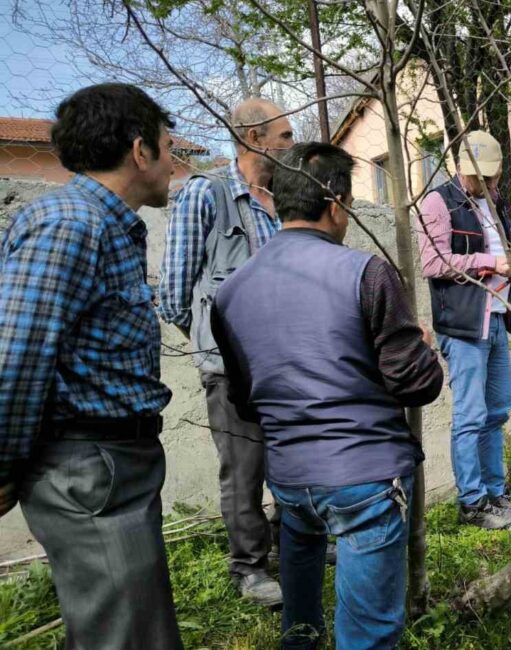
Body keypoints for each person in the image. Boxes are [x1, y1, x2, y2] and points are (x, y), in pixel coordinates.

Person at [211, 142, 444, 649]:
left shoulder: (230, 292)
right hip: (365, 479)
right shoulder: (366, 273)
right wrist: (424, 350)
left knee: (299, 624)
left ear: (275, 202)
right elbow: (416, 385)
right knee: (368, 635)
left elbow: (245, 401)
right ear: (336, 203)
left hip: (292, 482)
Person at [0, 83, 182, 649]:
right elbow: (15, 359)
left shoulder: (106, 225)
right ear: (140, 150)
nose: (175, 163)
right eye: (168, 146)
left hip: (110, 469)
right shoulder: (71, 224)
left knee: (135, 629)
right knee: (123, 639)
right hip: (87, 470)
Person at [158, 97, 294, 606]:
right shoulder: (206, 194)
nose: (291, 145)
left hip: (287, 362)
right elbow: (174, 292)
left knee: (290, 456)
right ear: (254, 139)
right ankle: (250, 568)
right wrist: (212, 342)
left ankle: (292, 545)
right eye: (285, 136)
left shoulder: (284, 198)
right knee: (243, 469)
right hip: (231, 365)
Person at [416, 130, 511, 529]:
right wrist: (490, 263)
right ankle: (472, 502)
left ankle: (495, 493)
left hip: (496, 317)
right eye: (472, 176)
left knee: (497, 409)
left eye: (485, 178)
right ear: (458, 169)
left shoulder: (495, 203)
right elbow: (433, 263)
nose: (478, 184)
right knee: (470, 414)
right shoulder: (437, 202)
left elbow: (502, 255)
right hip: (464, 323)